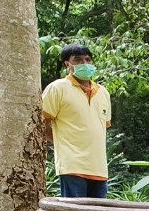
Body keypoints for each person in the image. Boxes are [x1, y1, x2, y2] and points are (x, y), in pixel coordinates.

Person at [42, 43, 112, 199]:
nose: (84, 64)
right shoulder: (57, 88)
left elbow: (101, 127)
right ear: (68, 64)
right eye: (78, 60)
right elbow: (41, 122)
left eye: (88, 59)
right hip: (72, 166)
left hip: (99, 168)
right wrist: (60, 142)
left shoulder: (103, 93)